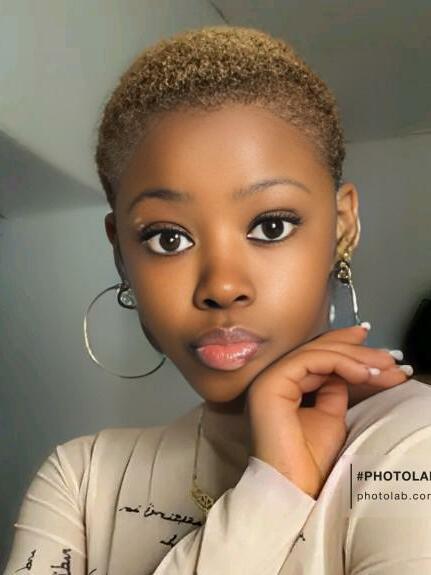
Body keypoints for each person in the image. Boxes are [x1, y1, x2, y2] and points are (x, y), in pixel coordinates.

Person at [3, 25, 431, 575]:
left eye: (271, 226)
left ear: (342, 227)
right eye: (168, 238)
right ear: (121, 253)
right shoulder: (81, 478)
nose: (222, 286)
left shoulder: (412, 446)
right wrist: (270, 496)